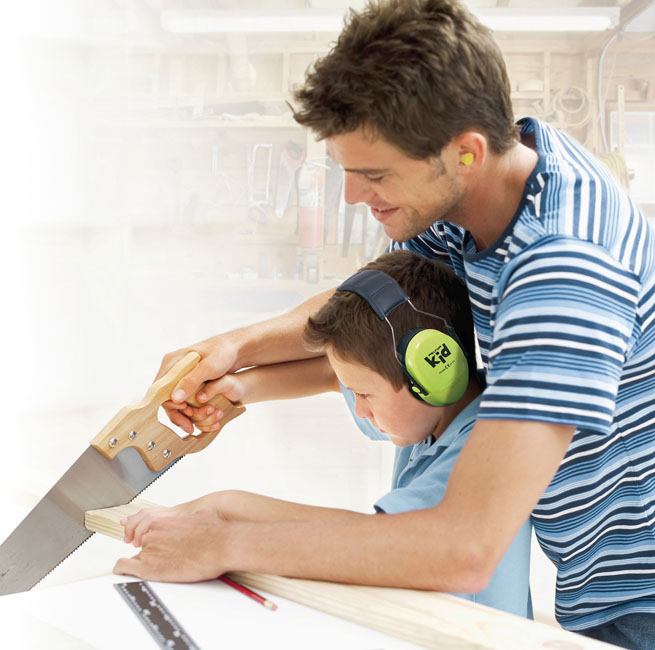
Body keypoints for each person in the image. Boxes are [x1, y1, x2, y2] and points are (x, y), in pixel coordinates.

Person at [115, 1, 655, 647]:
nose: (351, 197)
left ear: (465, 152)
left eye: (374, 175)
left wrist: (222, 542)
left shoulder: (563, 275)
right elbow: (375, 309)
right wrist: (233, 353)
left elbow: (463, 548)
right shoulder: (504, 177)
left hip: (637, 590)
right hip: (600, 573)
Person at [117, 250, 533, 618]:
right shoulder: (434, 410)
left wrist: (224, 507)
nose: (361, 409)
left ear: (435, 374)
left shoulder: (481, 448)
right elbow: (332, 375)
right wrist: (241, 388)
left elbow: (372, 540)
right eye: (356, 393)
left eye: (364, 394)